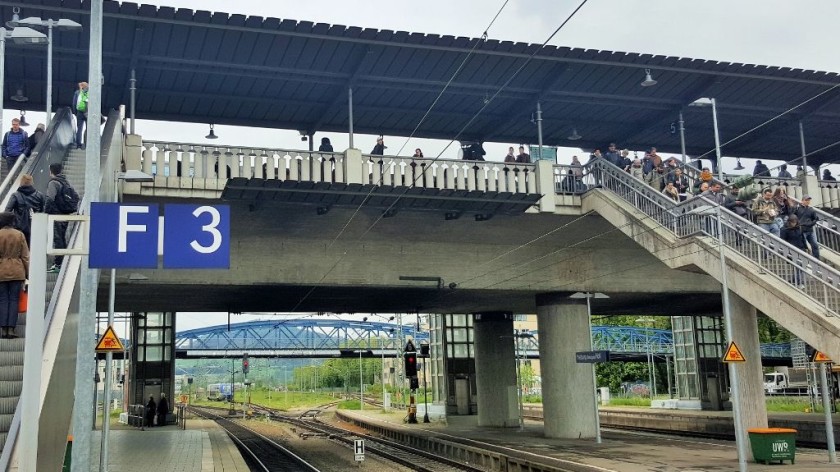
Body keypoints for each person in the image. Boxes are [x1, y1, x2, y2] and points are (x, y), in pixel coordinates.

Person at [46, 164, 79, 273]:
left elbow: (50, 199)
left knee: (58, 238)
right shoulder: (65, 182)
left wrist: (44, 212)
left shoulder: (53, 183)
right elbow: (76, 196)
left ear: (51, 171)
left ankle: (58, 264)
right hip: (65, 214)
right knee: (61, 238)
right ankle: (62, 262)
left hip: (56, 215)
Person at [0, 212, 28, 339]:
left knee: (3, 299)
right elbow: (25, 256)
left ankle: (3, 329)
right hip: (17, 270)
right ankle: (11, 329)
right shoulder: (19, 235)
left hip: (1, 270)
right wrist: (28, 274)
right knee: (14, 300)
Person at [6, 174, 46, 246]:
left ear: (21, 182)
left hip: (19, 227)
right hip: (35, 227)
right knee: (33, 247)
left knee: (19, 248)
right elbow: (43, 211)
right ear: (32, 183)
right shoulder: (39, 195)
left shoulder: (15, 195)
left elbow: (7, 211)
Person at [795, 196, 820, 260]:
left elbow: (815, 219)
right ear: (802, 200)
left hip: (810, 230)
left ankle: (816, 259)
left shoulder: (811, 209)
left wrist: (812, 223)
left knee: (815, 245)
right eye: (806, 200)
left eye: (808, 200)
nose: (808, 201)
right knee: (804, 245)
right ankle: (804, 259)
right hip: (801, 230)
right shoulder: (797, 208)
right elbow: (793, 217)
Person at [72, 81, 89, 149]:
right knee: (89, 129)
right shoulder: (90, 92)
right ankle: (87, 144)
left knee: (79, 129)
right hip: (88, 112)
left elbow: (74, 104)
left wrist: (75, 113)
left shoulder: (77, 92)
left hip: (79, 112)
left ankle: (78, 144)